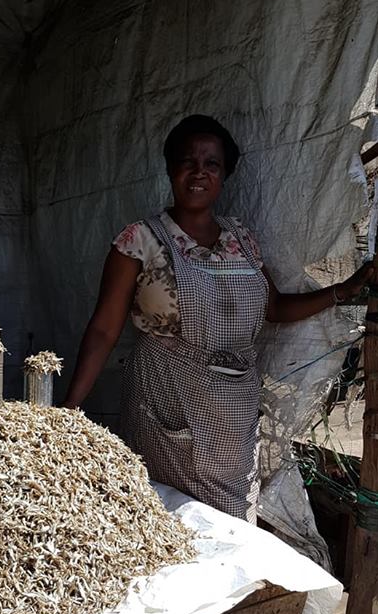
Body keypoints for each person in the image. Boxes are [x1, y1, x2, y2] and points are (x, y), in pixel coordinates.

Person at [63, 115, 372, 522]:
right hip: (167, 401)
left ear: (224, 176)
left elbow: (275, 308)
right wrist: (70, 407)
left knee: (234, 525)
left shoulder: (238, 238)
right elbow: (104, 330)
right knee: (172, 519)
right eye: (188, 162)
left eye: (212, 164)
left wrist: (343, 290)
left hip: (235, 414)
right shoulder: (140, 240)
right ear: (171, 169)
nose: (199, 172)